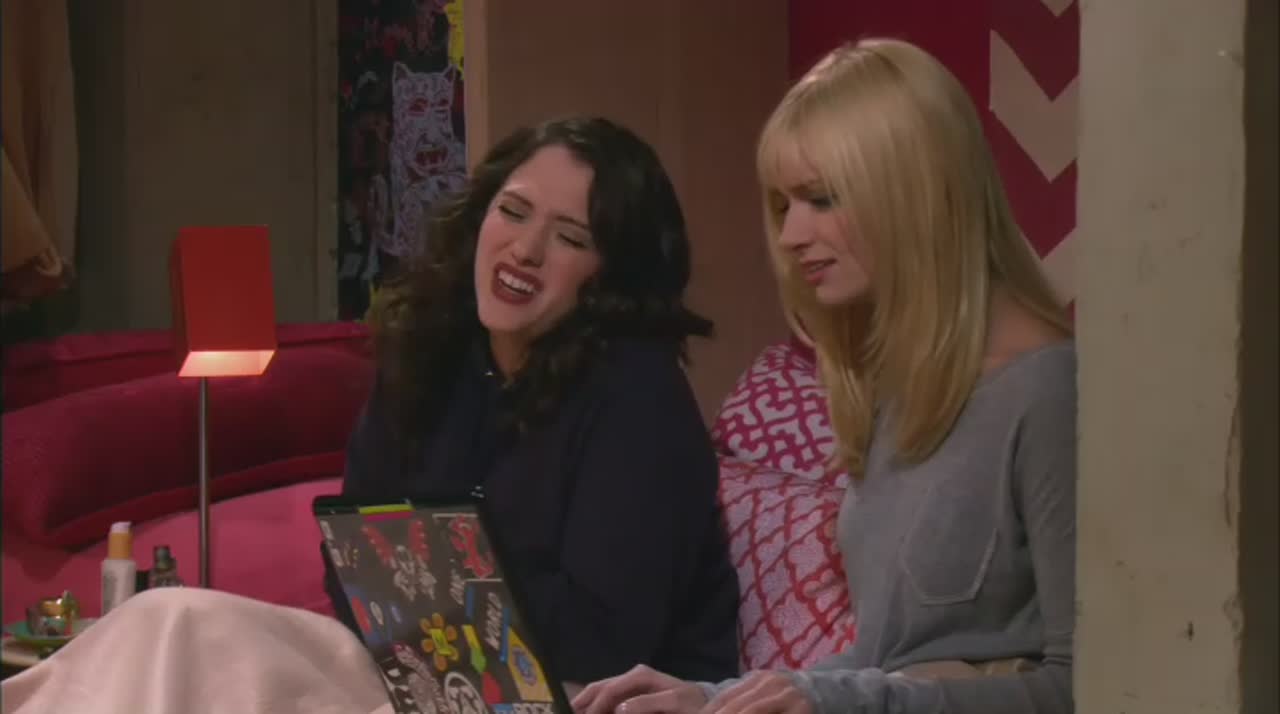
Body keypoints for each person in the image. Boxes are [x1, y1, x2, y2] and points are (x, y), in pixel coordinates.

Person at [573, 38, 1076, 714]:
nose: (790, 236)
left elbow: (1088, 686)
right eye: (784, 206)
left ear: (914, 193)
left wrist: (842, 702)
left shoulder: (1047, 390)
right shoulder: (898, 386)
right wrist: (712, 699)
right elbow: (883, 661)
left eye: (822, 199)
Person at [325, 115, 742, 688]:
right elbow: (350, 557)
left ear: (610, 276)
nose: (525, 250)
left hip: (599, 695)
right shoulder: (429, 345)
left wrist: (418, 576)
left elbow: (601, 642)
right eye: (513, 211)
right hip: (422, 665)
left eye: (570, 238)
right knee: (202, 623)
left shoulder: (641, 398)